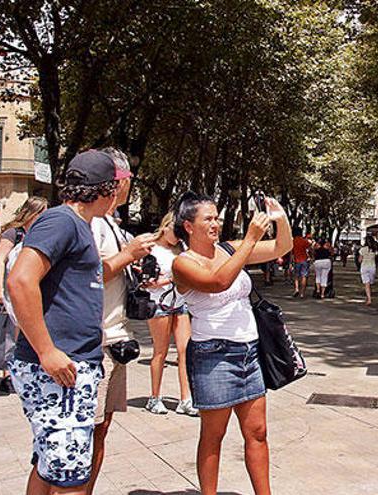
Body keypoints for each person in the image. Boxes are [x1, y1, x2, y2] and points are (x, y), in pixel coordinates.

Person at [7, 150, 119, 495]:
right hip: (62, 370)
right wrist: (47, 351)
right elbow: (20, 280)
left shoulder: (79, 226)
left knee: (49, 467)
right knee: (70, 479)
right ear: (106, 190)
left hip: (71, 366)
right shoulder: (62, 221)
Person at [172, 191, 292, 495]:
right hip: (213, 355)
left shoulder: (230, 248)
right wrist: (251, 237)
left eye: (217, 217)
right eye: (208, 218)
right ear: (188, 225)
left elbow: (283, 246)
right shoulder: (182, 264)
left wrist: (281, 219)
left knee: (258, 432)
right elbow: (217, 282)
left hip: (249, 352)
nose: (216, 223)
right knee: (214, 435)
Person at [86, 148, 155, 495]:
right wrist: (128, 255)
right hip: (95, 345)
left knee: (101, 429)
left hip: (113, 341)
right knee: (86, 434)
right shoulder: (94, 224)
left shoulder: (110, 224)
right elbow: (86, 275)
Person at [144, 212, 198, 416]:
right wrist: (168, 280)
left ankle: (186, 398)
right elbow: (146, 279)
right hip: (159, 304)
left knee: (185, 351)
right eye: (174, 230)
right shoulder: (151, 248)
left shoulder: (182, 250)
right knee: (161, 352)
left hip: (180, 304)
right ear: (164, 226)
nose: (176, 236)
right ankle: (154, 397)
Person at [0, 196, 48, 394]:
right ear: (33, 213)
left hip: (30, 288)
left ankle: (24, 371)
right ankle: (7, 375)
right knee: (12, 332)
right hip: (11, 288)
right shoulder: (13, 233)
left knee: (24, 329)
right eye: (43, 212)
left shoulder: (38, 233)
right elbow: (1, 261)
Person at [290, 227, 311, 298]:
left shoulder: (293, 241)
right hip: (304, 260)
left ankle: (296, 289)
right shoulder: (304, 241)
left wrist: (290, 262)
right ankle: (302, 293)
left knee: (296, 276)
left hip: (296, 260)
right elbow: (309, 249)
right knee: (304, 276)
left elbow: (291, 253)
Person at [358, 236, 378, 306]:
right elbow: (377, 257)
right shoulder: (374, 250)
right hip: (372, 267)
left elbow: (360, 260)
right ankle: (369, 297)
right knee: (370, 282)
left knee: (367, 284)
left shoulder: (362, 249)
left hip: (364, 267)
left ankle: (369, 299)